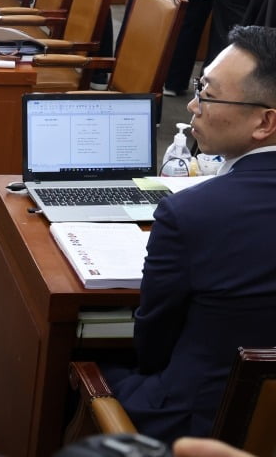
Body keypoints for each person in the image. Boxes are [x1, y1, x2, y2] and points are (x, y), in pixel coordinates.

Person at [105, 26, 276, 444]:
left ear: (265, 121)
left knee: (78, 366)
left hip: (202, 425)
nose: (194, 105)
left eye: (210, 95)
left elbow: (154, 337)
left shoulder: (192, 213)